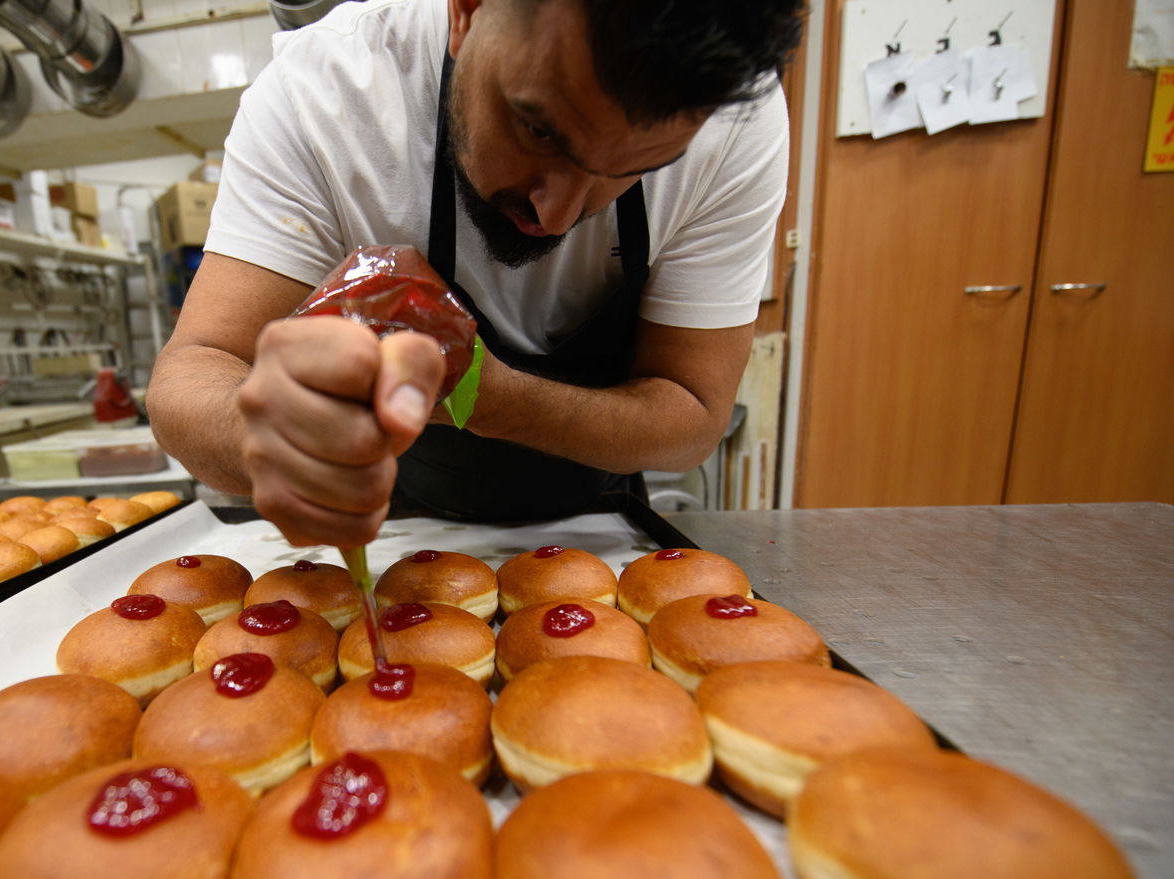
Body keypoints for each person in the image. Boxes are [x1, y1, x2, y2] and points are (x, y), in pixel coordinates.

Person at [149, 0, 804, 545]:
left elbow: (691, 415)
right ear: (467, 9)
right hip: (397, 542)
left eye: (633, 168)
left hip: (604, 538)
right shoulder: (327, 97)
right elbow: (191, 372)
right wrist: (271, 433)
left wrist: (484, 395)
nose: (558, 214)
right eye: (538, 130)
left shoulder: (735, 122)